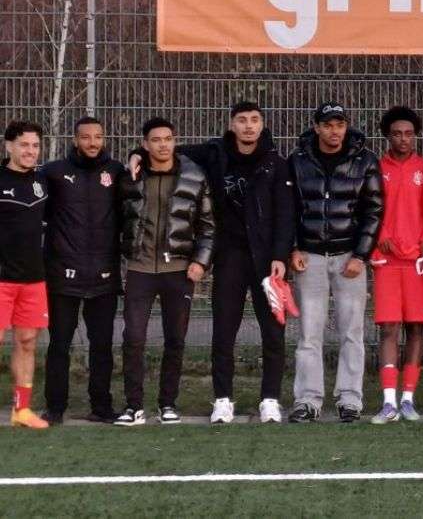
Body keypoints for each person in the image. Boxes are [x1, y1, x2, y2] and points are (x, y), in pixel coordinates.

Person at [143, 102, 294, 425]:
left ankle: (270, 399)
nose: (249, 126)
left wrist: (281, 256)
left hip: (267, 261)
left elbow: (285, 215)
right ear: (232, 125)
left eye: (254, 120)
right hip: (229, 257)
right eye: (242, 120)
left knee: (273, 333)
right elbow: (167, 150)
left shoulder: (276, 163)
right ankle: (223, 399)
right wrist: (136, 154)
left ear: (262, 124)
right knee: (224, 332)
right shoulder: (215, 154)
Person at [288, 102, 383, 424]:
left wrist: (361, 255)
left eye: (339, 124)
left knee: (352, 332)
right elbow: (288, 209)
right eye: (328, 124)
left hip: (348, 258)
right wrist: (292, 249)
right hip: (310, 257)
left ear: (346, 127)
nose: (334, 131)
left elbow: (374, 211)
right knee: (309, 334)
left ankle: (350, 399)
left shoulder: (365, 160)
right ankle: (308, 400)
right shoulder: (298, 161)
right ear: (316, 127)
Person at [116, 118, 214, 426]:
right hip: (139, 268)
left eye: (168, 138)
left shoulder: (194, 176)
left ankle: (168, 404)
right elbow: (116, 217)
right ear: (145, 145)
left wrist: (201, 261)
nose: (162, 144)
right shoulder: (131, 175)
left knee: (175, 338)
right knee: (133, 337)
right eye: (155, 140)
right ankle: (134, 406)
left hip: (179, 270)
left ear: (175, 141)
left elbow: (209, 226)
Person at [41, 117, 124, 425]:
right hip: (63, 275)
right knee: (59, 345)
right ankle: (55, 408)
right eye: (86, 137)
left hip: (104, 274)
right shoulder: (53, 172)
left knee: (102, 346)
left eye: (98, 137)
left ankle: (101, 407)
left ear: (104, 139)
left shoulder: (116, 172)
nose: (92, 143)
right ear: (75, 140)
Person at [369, 106, 423, 424]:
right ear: (387, 135)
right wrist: (379, 235)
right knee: (389, 329)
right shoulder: (376, 168)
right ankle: (388, 402)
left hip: (418, 262)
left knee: (417, 328)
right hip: (388, 261)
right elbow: (367, 208)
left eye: (408, 133)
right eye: (397, 133)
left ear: (416, 136)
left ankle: (408, 399)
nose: (403, 139)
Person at [1, 121, 51, 429]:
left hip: (34, 278)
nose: (30, 151)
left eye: (35, 145)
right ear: (8, 146)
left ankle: (21, 410)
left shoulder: (44, 181)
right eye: (24, 145)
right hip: (1, 279)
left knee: (28, 341)